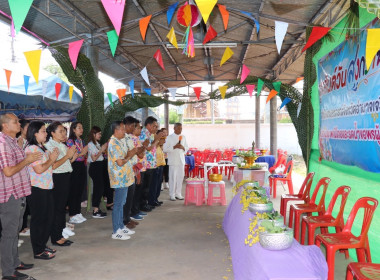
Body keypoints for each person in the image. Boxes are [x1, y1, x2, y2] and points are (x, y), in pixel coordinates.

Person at [0, 113, 41, 280]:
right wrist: (27, 160)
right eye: (15, 122)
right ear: (5, 126)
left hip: (18, 192)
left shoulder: (13, 142)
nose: (19, 124)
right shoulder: (3, 144)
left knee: (15, 231)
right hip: (10, 194)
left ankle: (15, 262)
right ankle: (8, 272)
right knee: (9, 234)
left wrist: (26, 159)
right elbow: (8, 171)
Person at [25, 121, 60, 259]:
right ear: (35, 133)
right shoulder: (31, 149)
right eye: (43, 131)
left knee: (48, 218)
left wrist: (53, 159)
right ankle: (38, 250)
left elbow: (49, 167)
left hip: (46, 187)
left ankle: (42, 245)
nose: (46, 133)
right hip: (37, 189)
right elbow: (39, 169)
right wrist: (51, 160)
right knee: (39, 220)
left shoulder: (41, 147)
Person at [46, 122, 77, 245]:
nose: (64, 133)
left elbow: (68, 162)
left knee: (62, 207)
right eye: (60, 131)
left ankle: (59, 233)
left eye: (64, 131)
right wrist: (68, 156)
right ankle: (56, 237)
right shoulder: (50, 145)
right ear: (52, 133)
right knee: (57, 208)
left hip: (65, 176)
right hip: (57, 178)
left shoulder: (61, 145)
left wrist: (73, 155)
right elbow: (53, 166)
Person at [108, 121, 136, 240]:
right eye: (122, 129)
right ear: (116, 130)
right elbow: (120, 162)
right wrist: (130, 155)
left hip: (125, 177)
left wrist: (129, 154)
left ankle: (120, 226)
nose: (125, 131)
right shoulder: (113, 143)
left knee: (122, 203)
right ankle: (116, 231)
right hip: (119, 178)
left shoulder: (120, 141)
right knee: (118, 204)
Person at [139, 117, 163, 210]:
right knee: (144, 187)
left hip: (151, 163)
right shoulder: (143, 133)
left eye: (157, 126)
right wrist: (157, 139)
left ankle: (147, 203)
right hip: (146, 164)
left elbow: (153, 146)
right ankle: (143, 205)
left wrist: (157, 140)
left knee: (149, 186)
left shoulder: (151, 134)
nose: (156, 128)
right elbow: (148, 148)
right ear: (148, 125)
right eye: (154, 126)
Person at [66, 121, 88, 224]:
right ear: (73, 129)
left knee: (80, 189)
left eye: (82, 127)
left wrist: (83, 153)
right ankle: (72, 214)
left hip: (81, 166)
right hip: (74, 165)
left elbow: (83, 154)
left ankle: (77, 212)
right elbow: (72, 156)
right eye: (79, 128)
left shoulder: (81, 141)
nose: (81, 129)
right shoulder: (70, 141)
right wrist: (82, 153)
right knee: (74, 191)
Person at [163, 123, 188, 201]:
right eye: (179, 128)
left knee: (180, 177)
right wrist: (174, 147)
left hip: (181, 160)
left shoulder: (183, 137)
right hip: (173, 160)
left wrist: (183, 147)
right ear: (174, 128)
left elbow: (187, 147)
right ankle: (172, 194)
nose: (180, 130)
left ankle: (178, 193)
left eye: (181, 128)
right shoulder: (169, 137)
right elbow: (165, 149)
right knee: (173, 178)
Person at [130, 120, 149, 223]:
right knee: (136, 191)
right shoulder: (132, 139)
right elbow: (140, 154)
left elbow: (141, 152)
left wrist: (144, 146)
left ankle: (136, 210)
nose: (140, 129)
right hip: (137, 168)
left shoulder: (137, 139)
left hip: (141, 167)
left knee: (139, 191)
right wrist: (145, 146)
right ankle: (133, 211)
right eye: (138, 128)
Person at [87, 126, 108, 218]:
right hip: (95, 167)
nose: (100, 135)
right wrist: (101, 150)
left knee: (100, 188)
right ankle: (95, 210)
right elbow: (94, 158)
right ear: (93, 134)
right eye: (99, 133)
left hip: (100, 166)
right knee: (98, 188)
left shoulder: (97, 144)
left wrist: (103, 150)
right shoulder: (91, 144)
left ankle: (97, 208)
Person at [17, 120, 31, 238]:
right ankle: (21, 228)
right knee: (22, 203)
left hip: (29, 175)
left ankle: (24, 226)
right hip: (21, 176)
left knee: (26, 203)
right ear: (21, 129)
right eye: (27, 128)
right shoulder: (19, 141)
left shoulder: (29, 141)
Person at [155, 130, 166, 203]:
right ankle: (152, 200)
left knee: (158, 185)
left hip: (161, 166)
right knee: (155, 185)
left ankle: (156, 199)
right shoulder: (155, 146)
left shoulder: (160, 147)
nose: (164, 141)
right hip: (156, 167)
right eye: (162, 138)